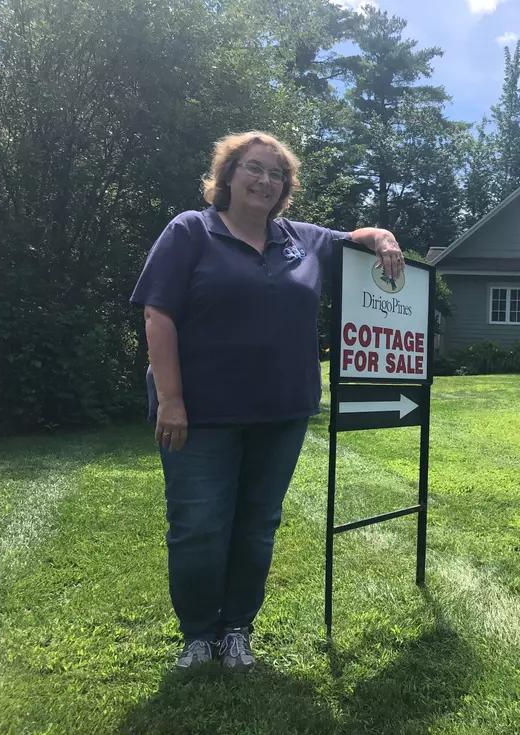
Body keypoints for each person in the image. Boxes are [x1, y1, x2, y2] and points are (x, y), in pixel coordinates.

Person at [130, 131, 405, 672]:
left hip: (283, 411)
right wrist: (172, 400)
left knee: (258, 524)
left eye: (276, 174)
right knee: (199, 526)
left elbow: (360, 236)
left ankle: (236, 630)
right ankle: (198, 635)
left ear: (286, 187)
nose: (265, 180)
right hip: (201, 415)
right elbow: (157, 314)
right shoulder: (191, 231)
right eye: (254, 168)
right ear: (227, 175)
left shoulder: (300, 239)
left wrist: (385, 238)